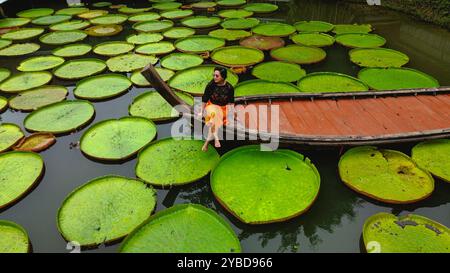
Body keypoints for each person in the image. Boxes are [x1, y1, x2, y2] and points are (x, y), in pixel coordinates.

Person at [199, 67, 235, 152]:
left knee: (213, 119)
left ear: (223, 77)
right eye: (214, 75)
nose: (214, 77)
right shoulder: (211, 85)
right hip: (211, 106)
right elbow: (204, 99)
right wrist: (201, 112)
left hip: (222, 108)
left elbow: (231, 103)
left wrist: (230, 116)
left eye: (217, 76)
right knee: (213, 115)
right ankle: (214, 139)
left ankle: (208, 141)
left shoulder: (229, 88)